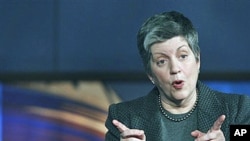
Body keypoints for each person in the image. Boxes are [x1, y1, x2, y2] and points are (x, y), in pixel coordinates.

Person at [105, 11, 250, 141]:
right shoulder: (124, 119)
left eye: (183, 56)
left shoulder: (238, 110)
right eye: (162, 61)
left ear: (198, 60)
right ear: (150, 74)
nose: (175, 69)